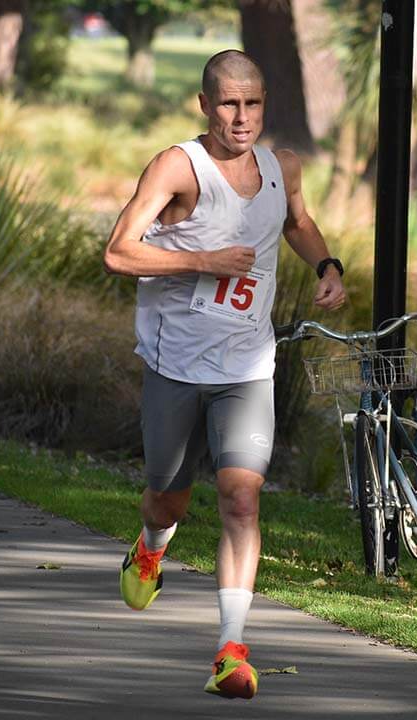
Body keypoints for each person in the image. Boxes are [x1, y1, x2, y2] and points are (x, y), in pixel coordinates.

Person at [101, 49, 347, 700]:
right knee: (169, 497)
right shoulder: (178, 168)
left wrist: (327, 267)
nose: (242, 119)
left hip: (248, 366)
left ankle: (230, 650)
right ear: (205, 105)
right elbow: (118, 251)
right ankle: (152, 545)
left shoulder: (280, 166)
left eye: (254, 104)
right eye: (230, 105)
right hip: (175, 364)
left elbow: (296, 221)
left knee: (241, 497)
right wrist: (204, 260)